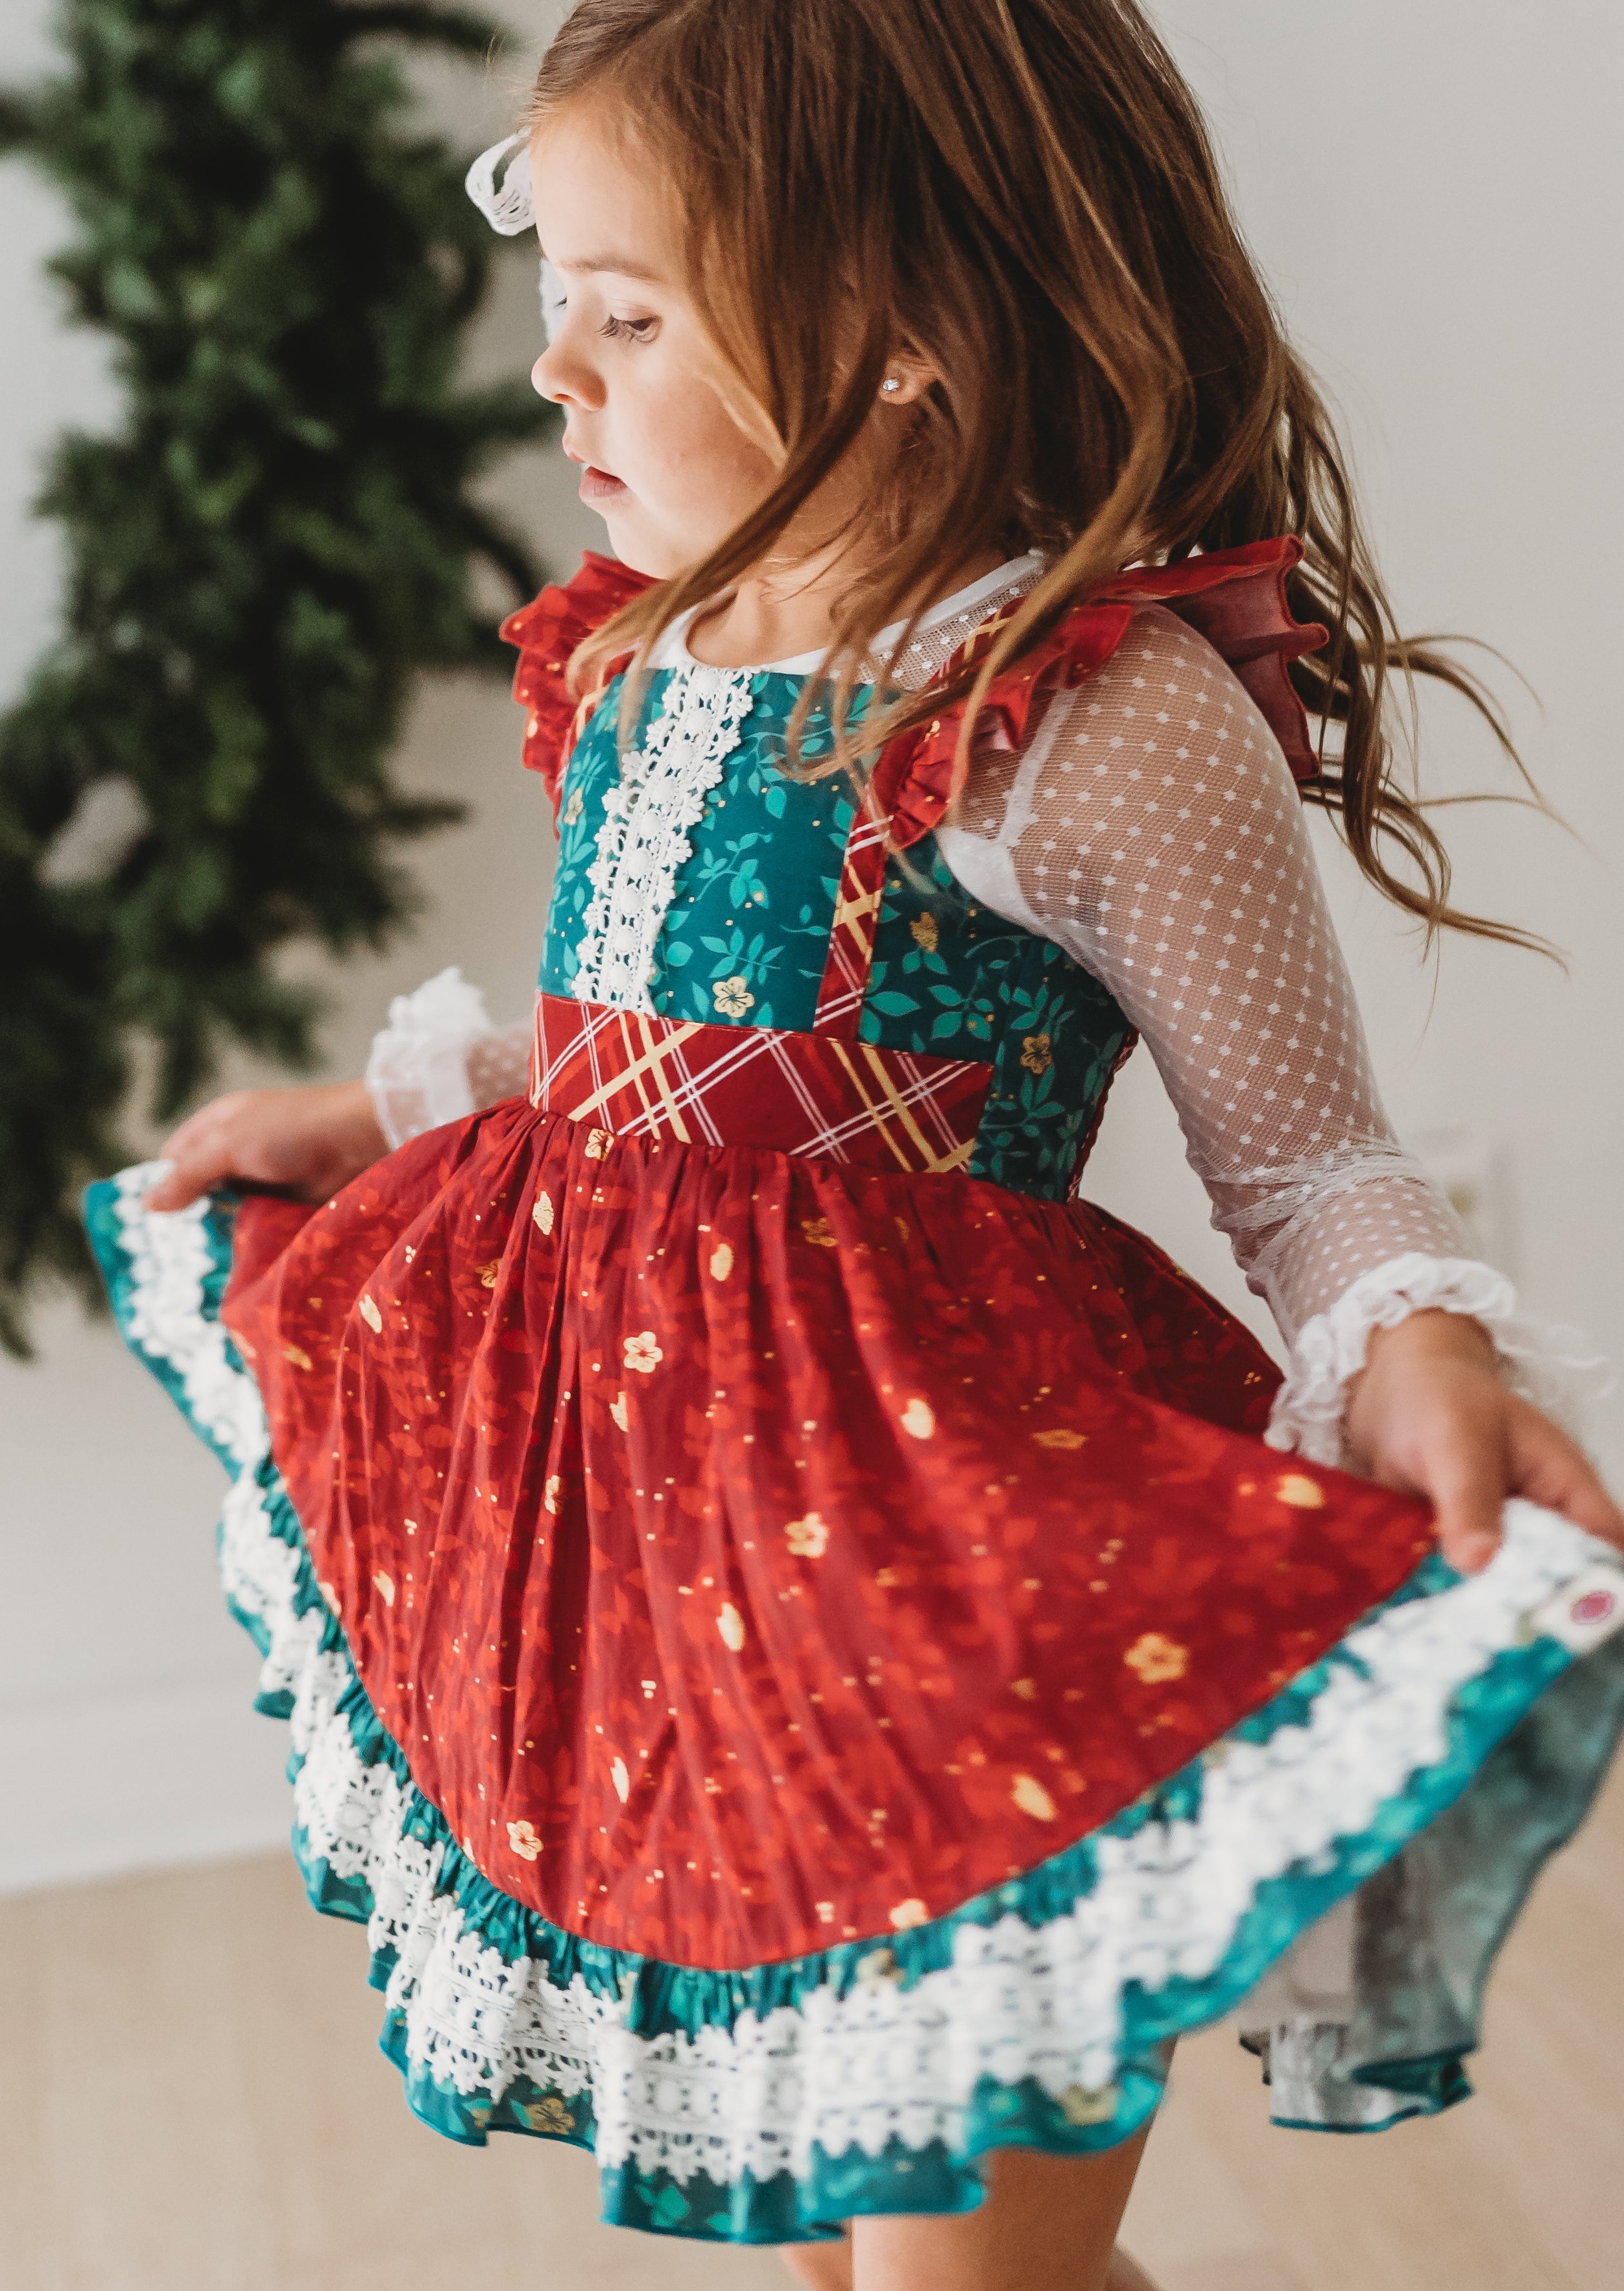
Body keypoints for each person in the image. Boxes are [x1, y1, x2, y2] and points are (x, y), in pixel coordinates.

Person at [88, 5, 1624, 2285]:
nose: (554, 376)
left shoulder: (1081, 714)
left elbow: (1307, 1169)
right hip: (682, 1587)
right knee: (827, 2259)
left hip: (943, 1608)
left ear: (893, 331)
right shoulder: (647, 648)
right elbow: (658, 1059)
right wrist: (404, 1105)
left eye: (628, 319)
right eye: (554, 305)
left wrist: (1412, 1338)